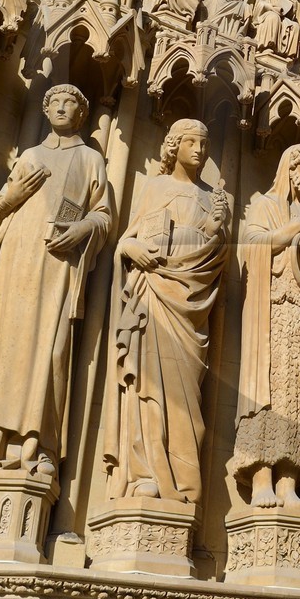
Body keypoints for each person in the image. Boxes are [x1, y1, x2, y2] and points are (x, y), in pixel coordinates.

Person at [0, 85, 112, 475]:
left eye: (70, 103)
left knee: (49, 347)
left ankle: (35, 442)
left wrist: (82, 230)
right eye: (55, 102)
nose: (62, 108)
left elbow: (104, 215)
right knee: (5, 345)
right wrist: (10, 198)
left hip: (57, 264)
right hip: (17, 258)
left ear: (82, 114)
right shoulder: (30, 156)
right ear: (44, 111)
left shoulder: (91, 159)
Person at [102, 119, 231, 502]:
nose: (200, 150)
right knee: (147, 385)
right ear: (174, 146)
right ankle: (144, 471)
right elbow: (128, 239)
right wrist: (130, 249)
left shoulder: (213, 197)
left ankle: (182, 481)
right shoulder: (155, 187)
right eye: (191, 142)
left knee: (188, 398)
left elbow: (217, 257)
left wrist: (218, 229)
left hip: (190, 305)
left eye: (205, 144)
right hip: (152, 292)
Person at [232, 145, 300, 510]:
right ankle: (262, 478)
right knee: (270, 394)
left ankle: (289, 483)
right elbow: (253, 246)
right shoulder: (265, 206)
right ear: (290, 171)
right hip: (272, 314)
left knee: (299, 399)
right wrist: (292, 230)